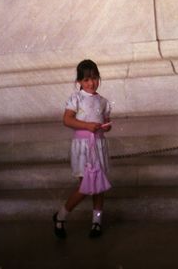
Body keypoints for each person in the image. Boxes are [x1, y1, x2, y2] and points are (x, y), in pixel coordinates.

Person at [53, 59, 112, 239]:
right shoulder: (76, 98)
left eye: (94, 78)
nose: (91, 83)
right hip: (83, 148)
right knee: (85, 187)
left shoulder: (103, 101)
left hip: (99, 145)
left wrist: (106, 127)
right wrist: (87, 126)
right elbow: (67, 119)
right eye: (86, 80)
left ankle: (97, 221)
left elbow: (105, 120)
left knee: (99, 187)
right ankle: (61, 215)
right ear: (79, 81)